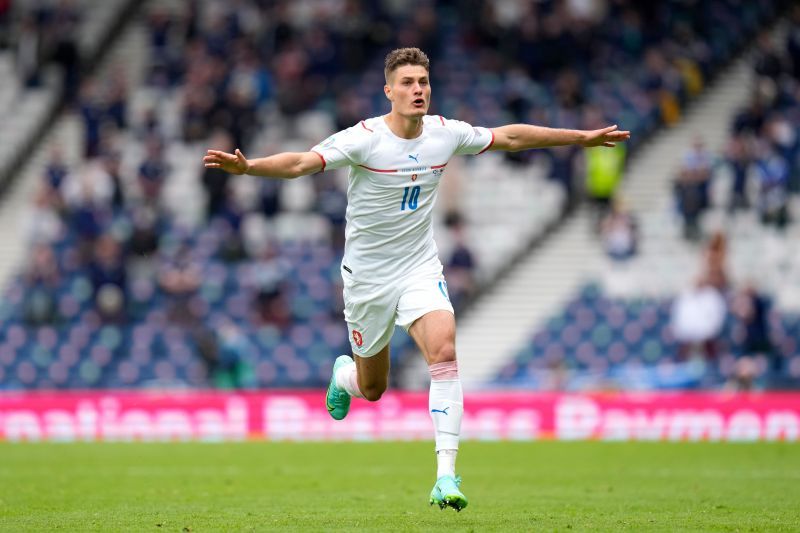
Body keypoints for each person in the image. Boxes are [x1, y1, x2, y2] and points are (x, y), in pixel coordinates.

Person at [203, 47, 630, 511]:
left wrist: (579, 138)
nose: (417, 90)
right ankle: (343, 374)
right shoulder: (364, 139)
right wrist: (250, 168)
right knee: (373, 388)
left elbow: (509, 137)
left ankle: (446, 475)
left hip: (418, 268)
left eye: (423, 82)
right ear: (389, 91)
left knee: (444, 351)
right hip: (367, 281)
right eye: (407, 83)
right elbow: (302, 164)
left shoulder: (445, 134)